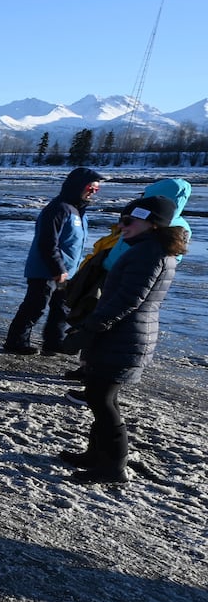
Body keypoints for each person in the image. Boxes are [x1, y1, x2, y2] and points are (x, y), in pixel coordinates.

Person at [57, 196, 188, 484]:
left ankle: (113, 466)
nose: (122, 226)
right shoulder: (150, 248)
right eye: (121, 220)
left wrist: (89, 329)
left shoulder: (149, 253)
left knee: (101, 399)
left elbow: (127, 300)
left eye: (129, 221)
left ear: (153, 224)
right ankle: (97, 454)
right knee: (100, 395)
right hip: (122, 335)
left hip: (124, 337)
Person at [3, 167, 104, 355]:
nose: (93, 193)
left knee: (61, 308)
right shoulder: (59, 208)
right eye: (91, 188)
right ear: (78, 186)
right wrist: (57, 267)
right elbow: (47, 241)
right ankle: (16, 341)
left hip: (68, 270)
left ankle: (54, 342)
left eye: (96, 190)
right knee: (35, 306)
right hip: (45, 269)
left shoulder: (79, 212)